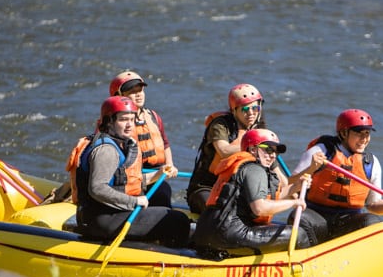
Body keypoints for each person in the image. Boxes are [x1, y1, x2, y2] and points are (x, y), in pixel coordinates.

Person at [73, 96, 191, 248]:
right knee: (178, 220)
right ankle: (175, 258)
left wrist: (158, 175)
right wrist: (134, 201)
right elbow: (97, 189)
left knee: (163, 195)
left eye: (132, 119)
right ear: (109, 121)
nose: (129, 125)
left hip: (110, 213)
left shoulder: (119, 142)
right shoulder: (106, 150)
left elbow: (124, 180)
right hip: (101, 219)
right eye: (123, 120)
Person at [290, 108, 383, 246]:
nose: (364, 139)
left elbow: (373, 204)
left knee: (371, 221)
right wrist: (310, 168)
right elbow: (290, 185)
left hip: (348, 220)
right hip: (317, 216)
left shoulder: (371, 164)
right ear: (343, 133)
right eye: (359, 133)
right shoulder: (320, 152)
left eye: (367, 134)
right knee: (299, 218)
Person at [193, 129, 311, 258]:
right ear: (253, 149)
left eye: (276, 151)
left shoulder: (243, 167)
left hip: (205, 233)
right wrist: (294, 202)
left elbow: (269, 198)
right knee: (299, 234)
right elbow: (260, 208)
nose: (273, 155)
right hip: (229, 233)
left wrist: (295, 187)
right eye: (268, 149)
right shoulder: (254, 169)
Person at [186, 83, 269, 214]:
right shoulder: (220, 125)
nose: (251, 113)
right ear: (234, 110)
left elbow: (275, 169)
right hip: (206, 188)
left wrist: (295, 189)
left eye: (255, 108)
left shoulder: (260, 131)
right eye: (245, 109)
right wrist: (254, 147)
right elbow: (223, 151)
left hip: (234, 190)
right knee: (218, 212)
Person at [108, 70, 177, 207]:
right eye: (132, 92)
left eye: (140, 90)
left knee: (163, 191)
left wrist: (169, 165)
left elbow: (165, 144)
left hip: (155, 176)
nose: (138, 94)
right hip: (128, 180)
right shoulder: (112, 124)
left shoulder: (153, 116)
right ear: (119, 96)